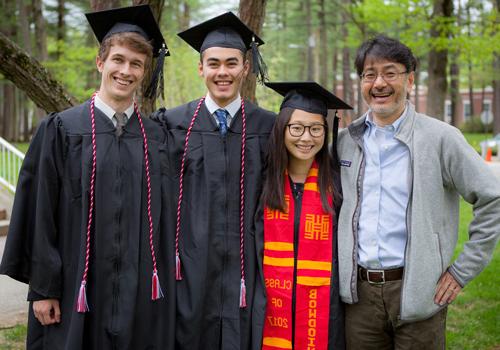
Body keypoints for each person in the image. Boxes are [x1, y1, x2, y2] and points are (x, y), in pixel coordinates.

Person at [0, 5, 171, 349]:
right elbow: (40, 212)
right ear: (100, 62)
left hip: (138, 292)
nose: (126, 71)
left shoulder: (158, 138)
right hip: (75, 289)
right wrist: (44, 289)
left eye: (136, 64)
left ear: (145, 71)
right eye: (118, 60)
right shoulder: (62, 129)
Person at [336, 34, 500, 349]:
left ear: (410, 79)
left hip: (420, 292)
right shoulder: (345, 141)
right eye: (370, 75)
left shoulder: (441, 138)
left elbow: (492, 198)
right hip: (358, 298)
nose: (379, 83)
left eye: (390, 73)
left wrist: (462, 271)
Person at [152, 12, 276, 350]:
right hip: (190, 266)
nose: (223, 72)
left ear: (245, 68)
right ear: (201, 68)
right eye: (214, 63)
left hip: (247, 267)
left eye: (232, 63)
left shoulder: (270, 127)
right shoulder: (170, 124)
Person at [257, 82, 352, 350]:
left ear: (326, 131)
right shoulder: (262, 180)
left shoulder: (338, 183)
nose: (306, 138)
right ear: (282, 129)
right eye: (296, 128)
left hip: (324, 308)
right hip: (270, 306)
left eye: (315, 129)